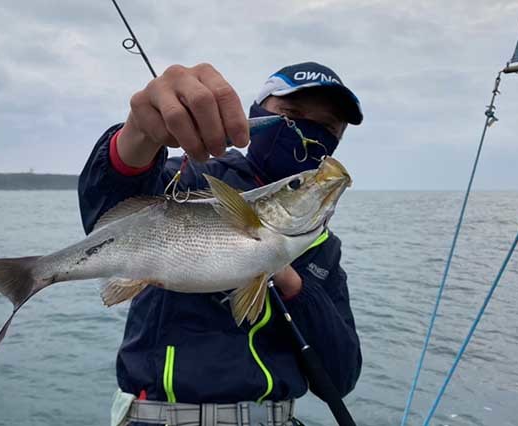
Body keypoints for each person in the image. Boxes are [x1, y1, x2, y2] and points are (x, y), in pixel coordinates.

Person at [78, 61, 363, 426]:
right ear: (257, 115)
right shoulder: (193, 179)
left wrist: (292, 284)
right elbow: (108, 210)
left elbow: (341, 376)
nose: (306, 132)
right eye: (290, 114)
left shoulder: (322, 244)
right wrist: (139, 134)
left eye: (325, 127)